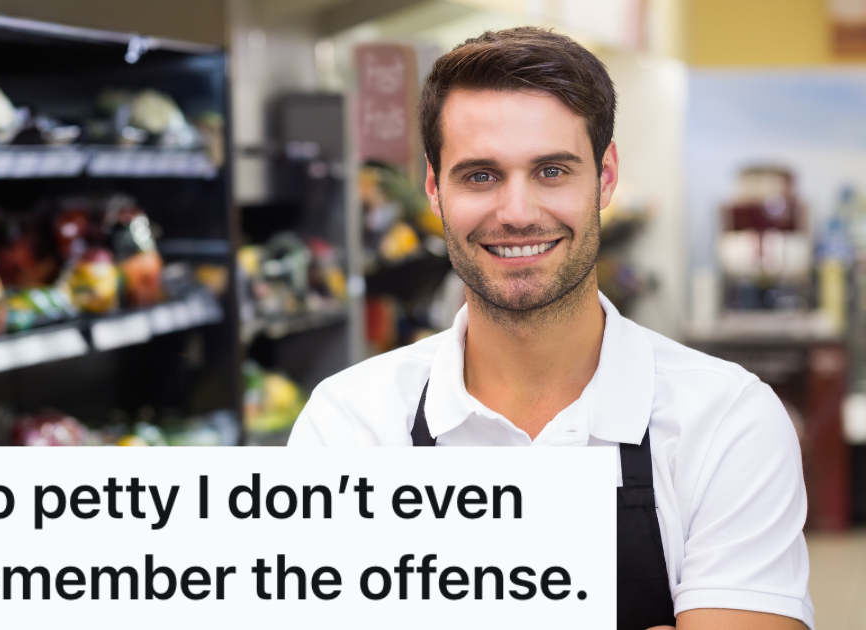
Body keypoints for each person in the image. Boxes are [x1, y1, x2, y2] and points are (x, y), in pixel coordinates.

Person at [288, 27, 812, 630]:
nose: (516, 213)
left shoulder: (726, 422)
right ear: (435, 188)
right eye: (480, 175)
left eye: (552, 171)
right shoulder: (351, 425)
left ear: (606, 176)